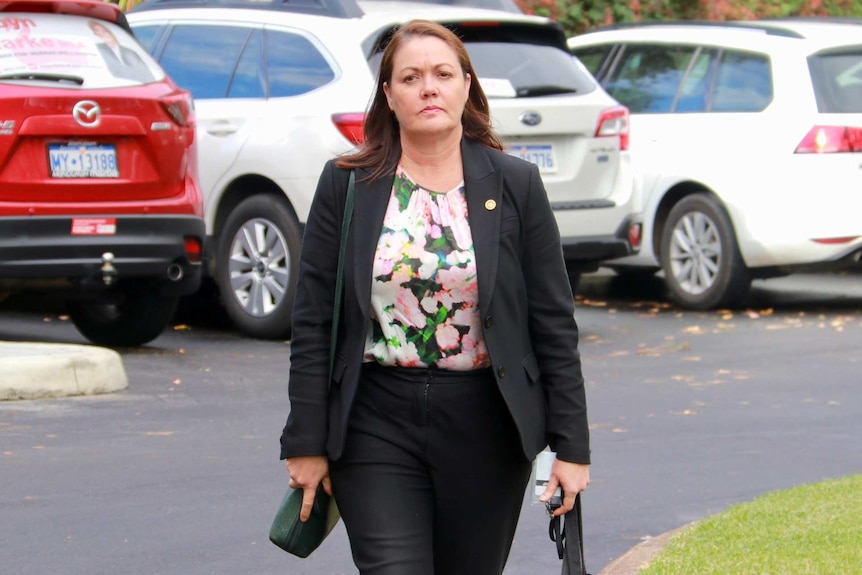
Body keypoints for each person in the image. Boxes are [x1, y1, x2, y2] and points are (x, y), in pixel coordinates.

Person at [280, 19, 590, 575]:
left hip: (486, 424)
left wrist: (571, 447)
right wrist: (304, 440)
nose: (429, 87)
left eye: (444, 74)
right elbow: (312, 321)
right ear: (389, 95)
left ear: (466, 87)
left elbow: (551, 321)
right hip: (373, 418)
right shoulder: (346, 184)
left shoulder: (514, 184)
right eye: (411, 77)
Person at [88, 20, 154, 83]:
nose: (101, 33)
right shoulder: (98, 50)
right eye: (97, 31)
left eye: (104, 31)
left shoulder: (130, 52)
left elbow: (147, 75)